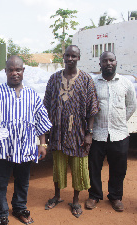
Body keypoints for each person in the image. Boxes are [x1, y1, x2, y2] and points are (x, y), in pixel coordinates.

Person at [0, 55, 52, 225]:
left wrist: (42, 144)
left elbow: (41, 119)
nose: (14, 73)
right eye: (11, 70)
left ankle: (19, 208)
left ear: (23, 71)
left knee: (22, 182)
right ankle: (1, 213)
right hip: (1, 147)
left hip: (25, 147)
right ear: (5, 71)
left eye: (18, 69)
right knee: (0, 184)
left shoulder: (32, 94)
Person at [43, 45, 99, 218]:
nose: (70, 59)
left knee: (78, 167)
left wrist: (89, 133)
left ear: (79, 57)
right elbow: (46, 105)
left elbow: (92, 108)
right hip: (58, 132)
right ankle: (58, 196)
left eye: (73, 56)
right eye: (67, 55)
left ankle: (75, 200)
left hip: (78, 133)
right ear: (63, 57)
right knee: (58, 166)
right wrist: (46, 133)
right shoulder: (53, 79)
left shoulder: (86, 79)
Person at [85, 51, 137, 212]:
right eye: (105, 60)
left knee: (118, 168)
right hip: (98, 134)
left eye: (111, 60)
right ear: (100, 64)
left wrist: (120, 121)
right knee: (94, 167)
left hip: (119, 133)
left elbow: (131, 105)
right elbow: (89, 107)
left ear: (116, 62)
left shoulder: (126, 83)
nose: (108, 63)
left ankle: (115, 197)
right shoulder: (93, 83)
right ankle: (94, 195)